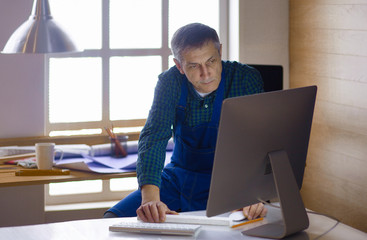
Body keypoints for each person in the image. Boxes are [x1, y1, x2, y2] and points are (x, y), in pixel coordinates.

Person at [104, 23, 267, 222]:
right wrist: (150, 200)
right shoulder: (169, 82)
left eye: (211, 61)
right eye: (193, 66)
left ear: (220, 51)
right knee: (113, 218)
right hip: (177, 179)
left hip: (230, 184)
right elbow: (154, 137)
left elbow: (258, 143)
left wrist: (252, 194)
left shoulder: (245, 79)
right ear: (179, 66)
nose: (206, 73)